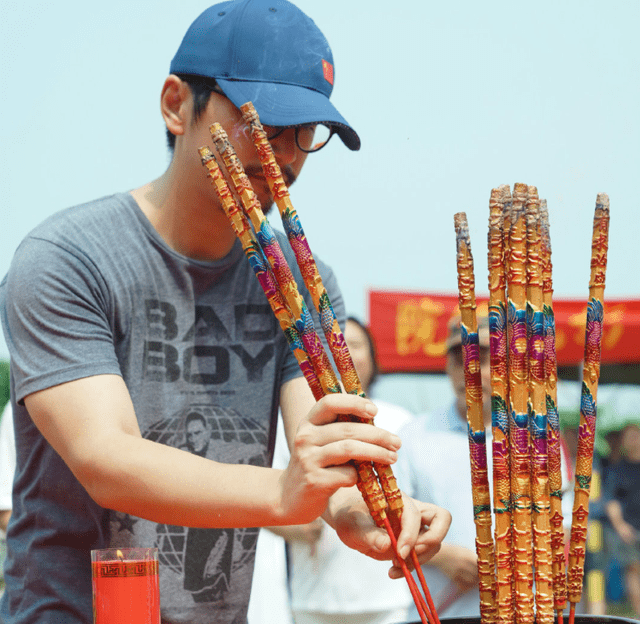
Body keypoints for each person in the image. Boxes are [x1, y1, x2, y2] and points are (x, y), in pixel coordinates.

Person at [0, 2, 450, 623]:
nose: (284, 157)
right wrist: (283, 491)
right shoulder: (70, 259)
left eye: (304, 133)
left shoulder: (302, 283)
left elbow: (316, 438)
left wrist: (359, 513)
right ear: (176, 104)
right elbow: (106, 459)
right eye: (258, 123)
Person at [395, 313, 573, 620]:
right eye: (459, 358)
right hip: (437, 611)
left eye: (486, 358)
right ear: (448, 367)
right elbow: (392, 514)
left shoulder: (539, 437)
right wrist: (443, 555)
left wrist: (509, 556)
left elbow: (564, 522)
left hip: (524, 610)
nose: (472, 369)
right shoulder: (413, 435)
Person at [285, 317, 414, 624]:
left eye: (353, 345)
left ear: (373, 356)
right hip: (314, 600)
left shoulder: (403, 421)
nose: (342, 354)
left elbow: (418, 500)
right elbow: (271, 494)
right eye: (332, 346)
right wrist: (299, 521)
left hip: (387, 600)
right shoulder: (298, 426)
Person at [604, 422, 640, 617]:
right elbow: (611, 501)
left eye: (636, 436)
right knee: (632, 572)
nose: (633, 440)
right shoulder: (616, 470)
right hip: (629, 529)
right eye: (629, 437)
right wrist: (620, 526)